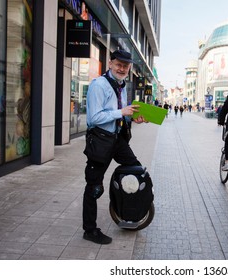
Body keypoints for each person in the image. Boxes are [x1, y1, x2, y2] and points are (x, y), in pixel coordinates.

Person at [83, 49, 147, 245]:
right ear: (110, 63)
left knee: (136, 170)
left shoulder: (120, 85)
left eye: (126, 66)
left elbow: (119, 113)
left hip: (117, 139)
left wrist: (133, 117)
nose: (122, 68)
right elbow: (94, 118)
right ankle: (90, 230)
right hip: (100, 140)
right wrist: (121, 111)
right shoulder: (99, 85)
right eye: (119, 64)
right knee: (93, 186)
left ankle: (123, 208)